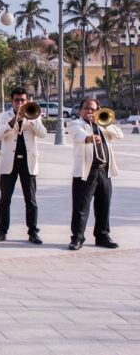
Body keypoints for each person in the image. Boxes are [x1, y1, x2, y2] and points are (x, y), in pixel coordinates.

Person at [0, 87, 46, 244]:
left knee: (31, 200)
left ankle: (33, 232)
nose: (20, 103)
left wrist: (31, 120)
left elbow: (42, 134)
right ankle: (1, 231)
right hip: (10, 162)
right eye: (17, 100)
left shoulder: (34, 115)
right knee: (5, 199)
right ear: (11, 101)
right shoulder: (4, 116)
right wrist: (14, 121)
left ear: (27, 101)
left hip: (28, 163)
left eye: (23, 100)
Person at [68, 98, 123, 251]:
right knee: (81, 207)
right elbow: (79, 136)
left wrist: (104, 123)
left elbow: (119, 135)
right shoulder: (75, 124)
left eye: (93, 109)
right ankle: (77, 238)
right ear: (80, 111)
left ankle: (102, 236)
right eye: (86, 109)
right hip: (86, 171)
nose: (90, 112)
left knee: (104, 205)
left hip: (104, 170)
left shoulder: (103, 125)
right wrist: (90, 138)